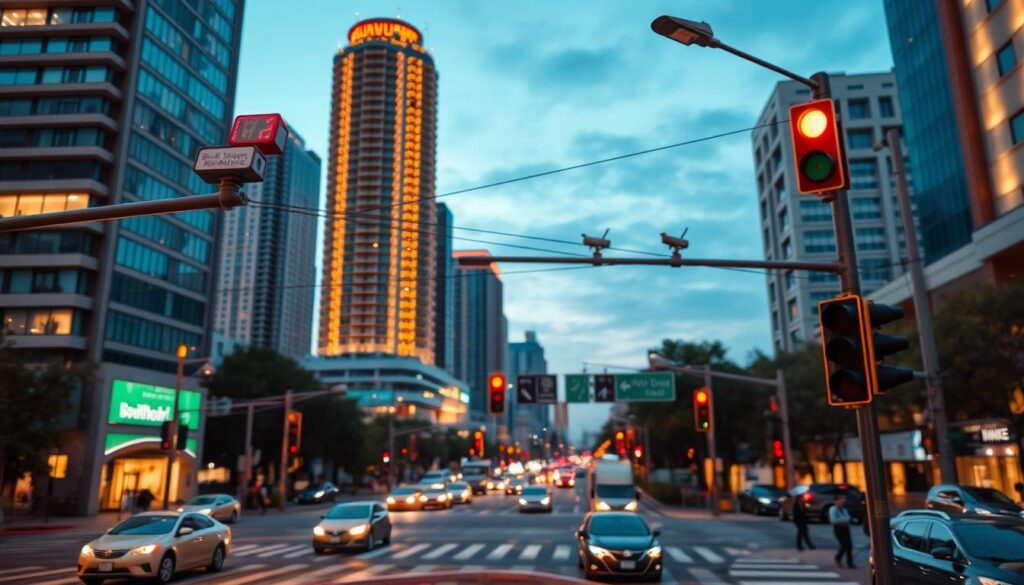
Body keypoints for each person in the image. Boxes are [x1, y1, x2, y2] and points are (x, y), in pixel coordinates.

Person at [830, 495, 855, 569]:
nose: (843, 501)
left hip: (845, 528)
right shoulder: (833, 509)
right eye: (841, 499)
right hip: (838, 529)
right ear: (836, 500)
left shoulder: (844, 509)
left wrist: (845, 520)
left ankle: (850, 563)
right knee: (844, 545)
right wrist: (846, 520)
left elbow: (848, 518)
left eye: (843, 499)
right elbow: (834, 520)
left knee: (849, 545)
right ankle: (838, 557)